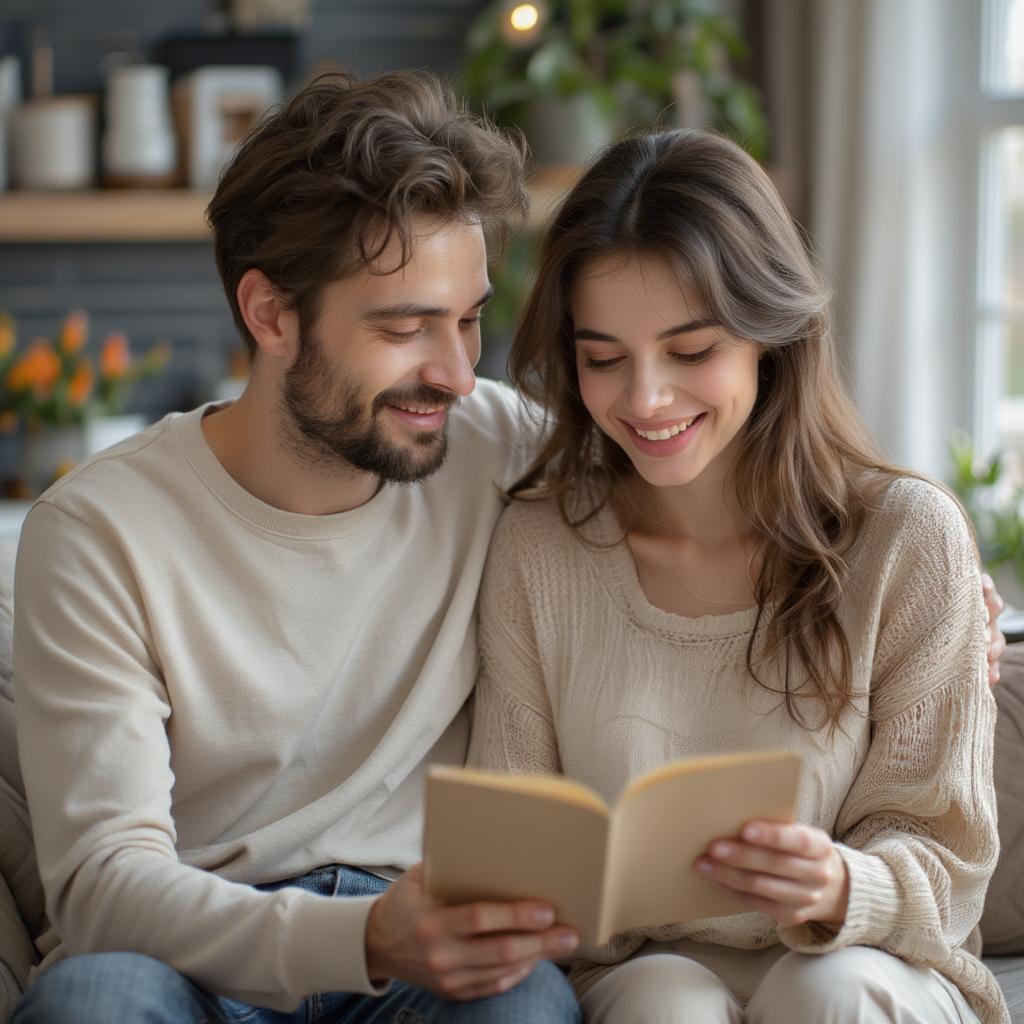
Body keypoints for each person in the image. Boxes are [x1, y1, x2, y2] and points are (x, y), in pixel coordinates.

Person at [11, 71, 582, 1023]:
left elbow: (704, 498)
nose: (454, 373)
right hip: (190, 950)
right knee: (94, 1002)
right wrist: (355, 941)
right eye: (405, 328)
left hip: (422, 952)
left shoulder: (501, 446)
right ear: (270, 314)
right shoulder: (99, 531)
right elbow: (103, 883)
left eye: (470, 319)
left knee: (522, 1004)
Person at [467, 128, 1010, 1024]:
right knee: (662, 1001)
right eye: (604, 358)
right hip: (641, 969)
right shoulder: (540, 550)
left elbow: (947, 860)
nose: (644, 399)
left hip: (870, 962)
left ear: (772, 336)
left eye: (690, 352)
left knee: (823, 990)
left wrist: (841, 883)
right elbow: (516, 847)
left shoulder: (908, 539)